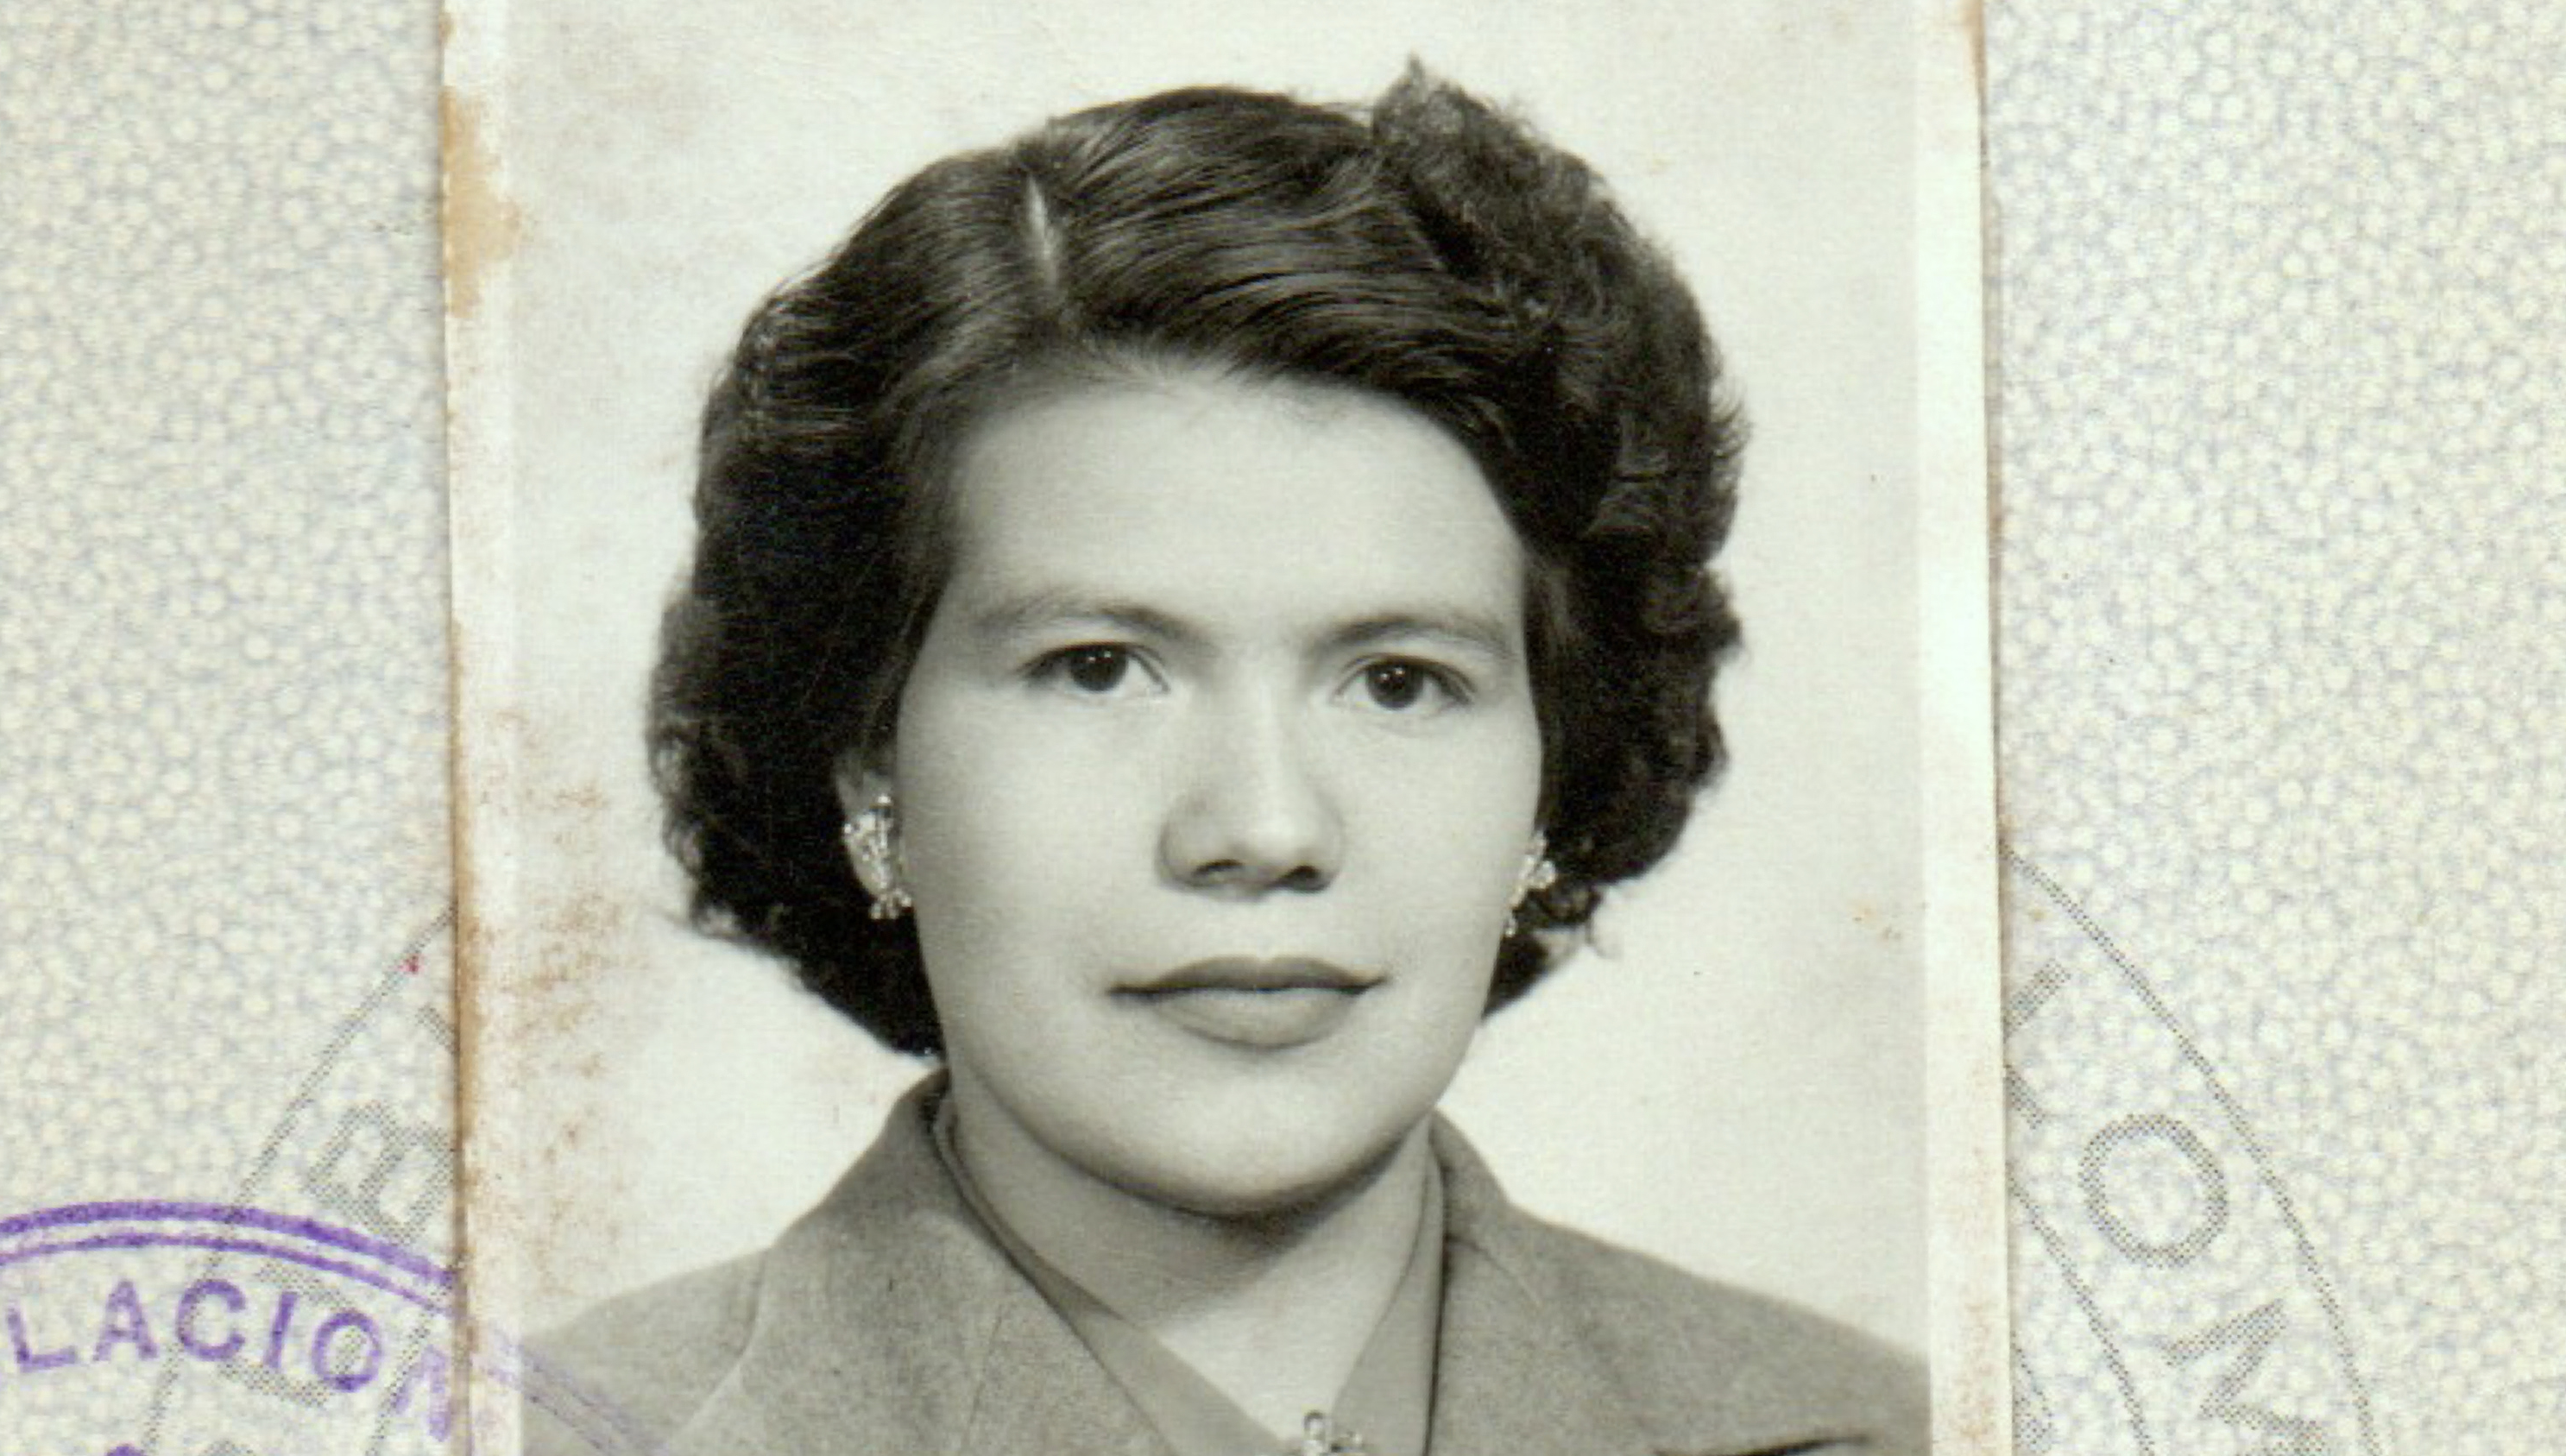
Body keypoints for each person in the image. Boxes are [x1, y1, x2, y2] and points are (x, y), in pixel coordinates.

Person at [526, 66, 1926, 1456]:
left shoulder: (1894, 1427)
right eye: (1097, 668)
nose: (1264, 828)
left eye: (1399, 682)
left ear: (1554, 775)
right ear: (863, 762)